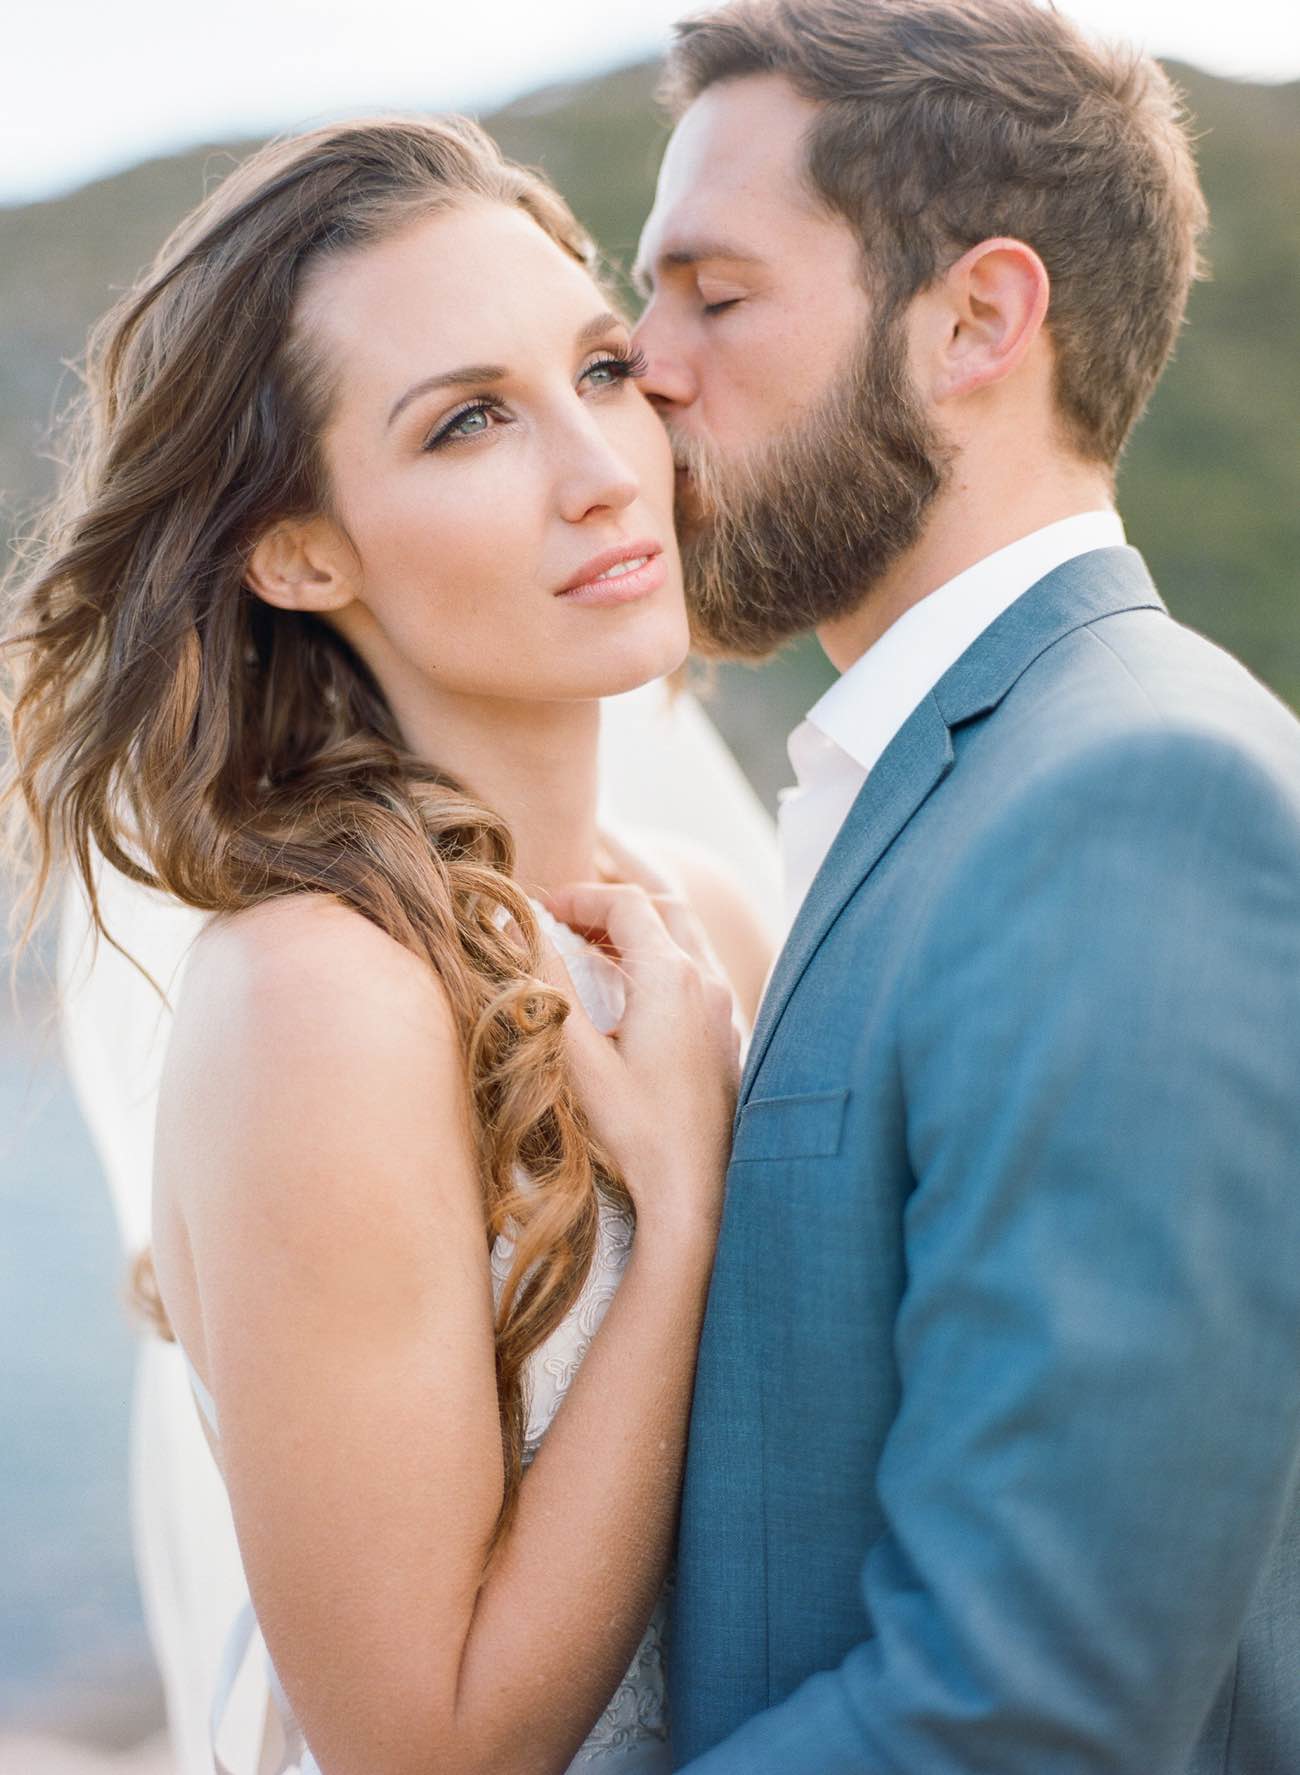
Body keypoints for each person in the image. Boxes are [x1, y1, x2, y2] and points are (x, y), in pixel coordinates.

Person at [1, 115, 771, 1775]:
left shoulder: (707, 919)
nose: (598, 467)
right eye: (471, 421)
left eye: (605, 368)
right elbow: (424, 1751)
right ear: (299, 550)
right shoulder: (321, 996)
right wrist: (686, 1210)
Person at [618, 0, 1300, 1769]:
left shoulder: (1135, 796)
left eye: (715, 291)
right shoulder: (953, 779)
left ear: (978, 318)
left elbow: (1029, 1704)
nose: (642, 365)